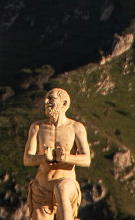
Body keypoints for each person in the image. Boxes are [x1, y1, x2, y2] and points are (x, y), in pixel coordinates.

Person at [22, 88, 91, 220]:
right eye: (46, 99)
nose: (46, 102)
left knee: (61, 188)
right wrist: (43, 158)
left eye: (51, 98)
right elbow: (27, 159)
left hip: (66, 184)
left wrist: (66, 158)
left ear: (64, 103)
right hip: (42, 187)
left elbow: (86, 159)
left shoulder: (76, 128)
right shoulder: (37, 127)